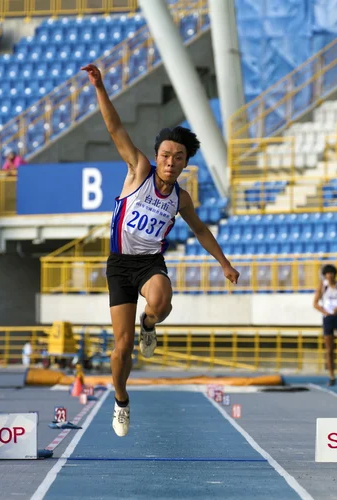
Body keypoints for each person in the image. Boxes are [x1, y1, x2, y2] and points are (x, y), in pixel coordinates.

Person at [81, 63, 240, 437]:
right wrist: (101, 87)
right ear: (158, 156)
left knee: (163, 300)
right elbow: (115, 128)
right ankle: (121, 399)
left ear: (186, 162)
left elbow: (200, 230)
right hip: (120, 265)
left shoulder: (182, 198)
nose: (170, 162)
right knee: (120, 350)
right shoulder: (139, 170)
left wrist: (225, 264)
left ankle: (149, 324)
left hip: (150, 263)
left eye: (178, 157)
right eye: (166, 155)